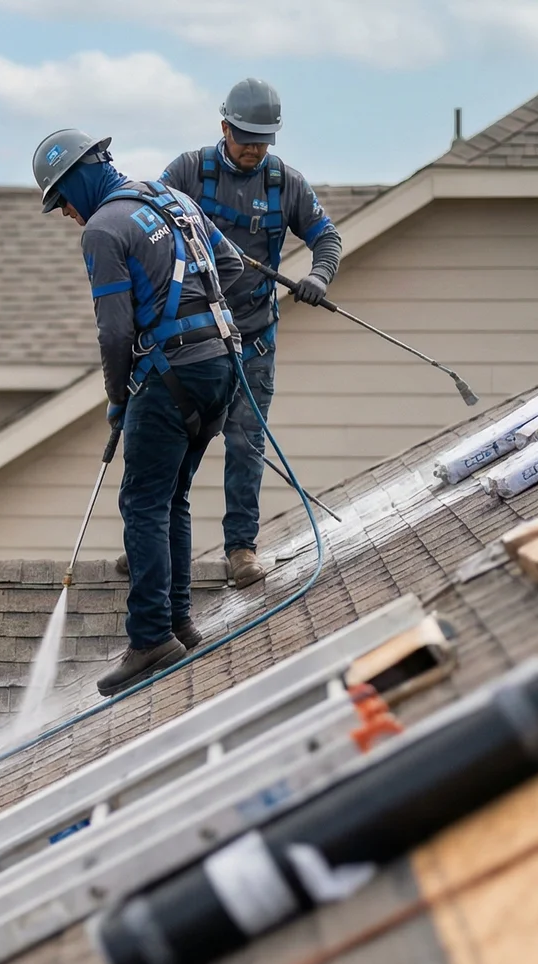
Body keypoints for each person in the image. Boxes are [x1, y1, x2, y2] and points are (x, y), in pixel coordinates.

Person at [31, 129, 244, 697]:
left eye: (63, 202)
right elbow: (231, 266)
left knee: (142, 501)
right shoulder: (173, 198)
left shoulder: (104, 229)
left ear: (78, 179)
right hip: (221, 367)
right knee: (171, 494)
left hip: (169, 376)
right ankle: (178, 623)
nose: (68, 215)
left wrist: (120, 396)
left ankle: (149, 637)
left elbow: (115, 331)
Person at [161, 78, 343, 588]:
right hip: (195, 339)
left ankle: (240, 548)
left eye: (263, 140)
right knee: (177, 444)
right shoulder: (187, 173)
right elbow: (149, 224)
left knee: (245, 444)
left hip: (254, 339)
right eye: (245, 138)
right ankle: (152, 542)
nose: (254, 149)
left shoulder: (287, 185)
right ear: (224, 127)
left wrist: (317, 277)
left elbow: (327, 237)